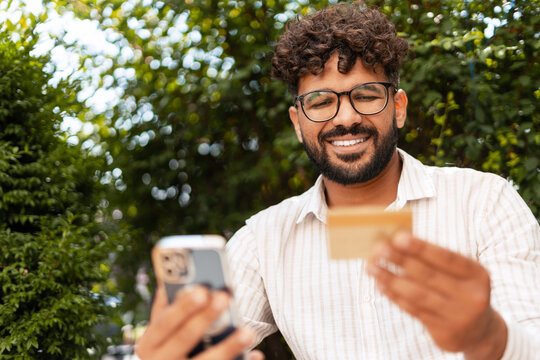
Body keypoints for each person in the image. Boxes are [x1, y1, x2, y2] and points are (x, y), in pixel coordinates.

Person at [136, 2, 540, 359]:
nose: (345, 118)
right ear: (298, 122)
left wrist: (489, 336)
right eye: (321, 101)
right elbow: (197, 346)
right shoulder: (265, 240)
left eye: (365, 95)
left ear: (397, 107)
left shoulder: (485, 203)